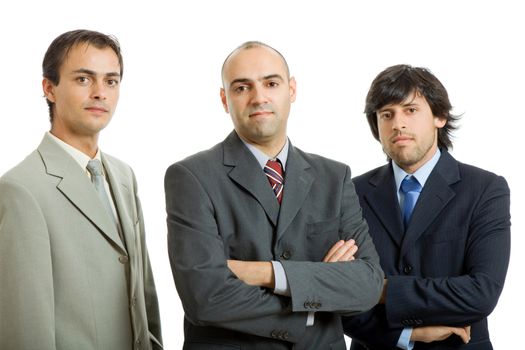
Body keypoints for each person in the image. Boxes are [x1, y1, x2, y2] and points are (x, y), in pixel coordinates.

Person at [164, 41, 384, 349]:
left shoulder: (334, 177)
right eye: (242, 88)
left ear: (291, 90)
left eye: (271, 83)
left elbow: (368, 285)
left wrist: (267, 273)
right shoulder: (191, 177)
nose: (259, 97)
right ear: (224, 99)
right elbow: (205, 296)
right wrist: (313, 306)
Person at [0, 29, 162, 349]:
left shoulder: (124, 176)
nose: (100, 92)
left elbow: (144, 297)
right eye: (84, 79)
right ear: (50, 89)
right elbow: (25, 328)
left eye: (111, 81)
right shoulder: (21, 190)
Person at [343, 64, 511, 349]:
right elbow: (336, 296)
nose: (398, 124)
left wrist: (382, 290)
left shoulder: (485, 189)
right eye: (387, 114)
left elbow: (482, 293)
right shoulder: (350, 192)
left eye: (410, 110)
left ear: (440, 116)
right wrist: (408, 335)